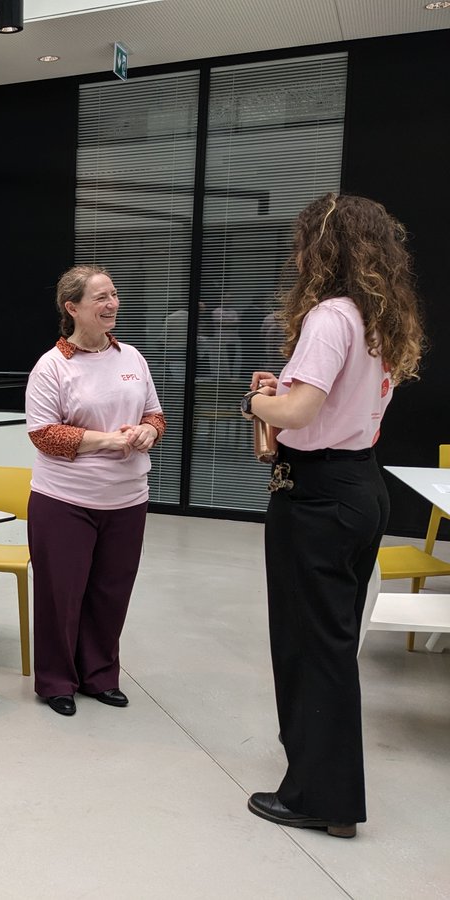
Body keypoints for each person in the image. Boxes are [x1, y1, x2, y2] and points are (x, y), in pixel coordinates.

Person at [240, 193, 425, 839]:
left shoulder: (329, 316)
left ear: (323, 248)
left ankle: (322, 798)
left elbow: (298, 414)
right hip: (359, 486)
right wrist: (284, 395)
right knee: (331, 640)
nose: (296, 257)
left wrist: (257, 402)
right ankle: (322, 779)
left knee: (310, 644)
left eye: (302, 244)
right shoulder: (379, 318)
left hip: (316, 494)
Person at [25, 265, 166, 717]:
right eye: (101, 297)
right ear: (73, 308)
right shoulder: (53, 366)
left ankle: (100, 676)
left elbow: (155, 415)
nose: (112, 304)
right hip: (64, 502)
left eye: (114, 294)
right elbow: (44, 434)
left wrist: (148, 432)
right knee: (61, 596)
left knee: (111, 592)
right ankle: (56, 682)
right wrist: (107, 440)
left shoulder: (132, 358)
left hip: (127, 499)